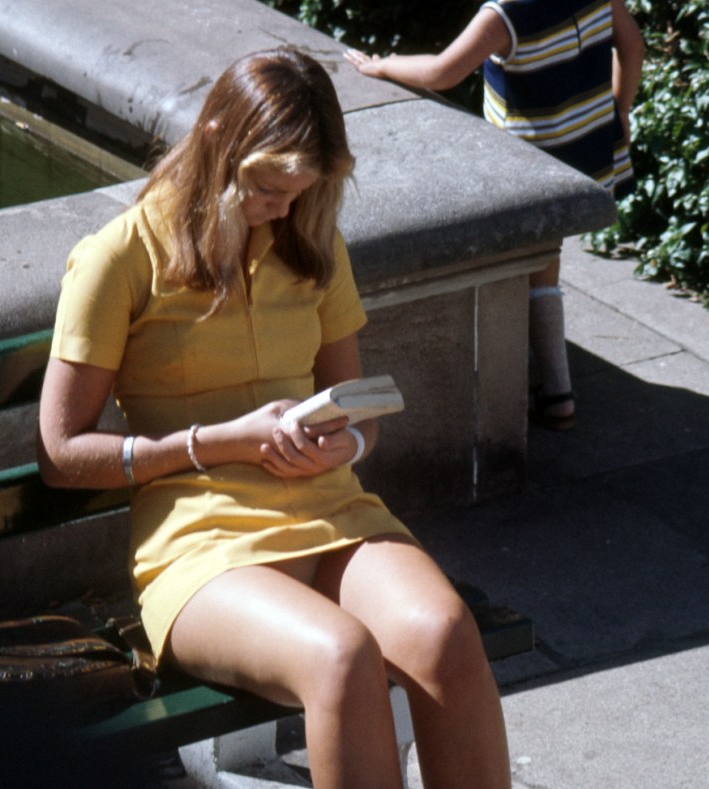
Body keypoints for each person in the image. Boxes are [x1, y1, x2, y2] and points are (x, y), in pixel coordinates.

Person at [38, 48, 511, 788]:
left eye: (301, 190)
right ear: (219, 135)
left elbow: (359, 413)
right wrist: (221, 441)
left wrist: (344, 440)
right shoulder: (119, 257)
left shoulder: (312, 244)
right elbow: (62, 451)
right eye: (268, 186)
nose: (284, 207)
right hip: (202, 543)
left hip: (329, 511)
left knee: (446, 634)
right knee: (341, 655)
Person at [346, 0, 645, 430]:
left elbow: (442, 73)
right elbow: (633, 46)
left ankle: (558, 392)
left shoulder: (505, 15)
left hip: (528, 167)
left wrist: (384, 66)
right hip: (585, 151)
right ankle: (555, 387)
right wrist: (621, 107)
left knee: (539, 271)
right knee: (546, 259)